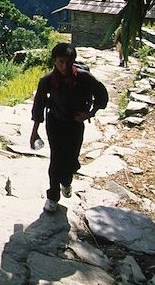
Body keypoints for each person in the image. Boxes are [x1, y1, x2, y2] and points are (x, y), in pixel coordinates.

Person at [29, 43, 108, 213]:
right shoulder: (47, 81)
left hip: (75, 123)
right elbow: (39, 105)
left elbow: (102, 95)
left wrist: (90, 114)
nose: (64, 66)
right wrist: (34, 132)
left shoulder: (84, 78)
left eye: (67, 62)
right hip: (55, 122)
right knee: (56, 158)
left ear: (73, 61)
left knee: (72, 158)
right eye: (60, 62)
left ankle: (66, 180)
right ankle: (52, 196)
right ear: (54, 61)